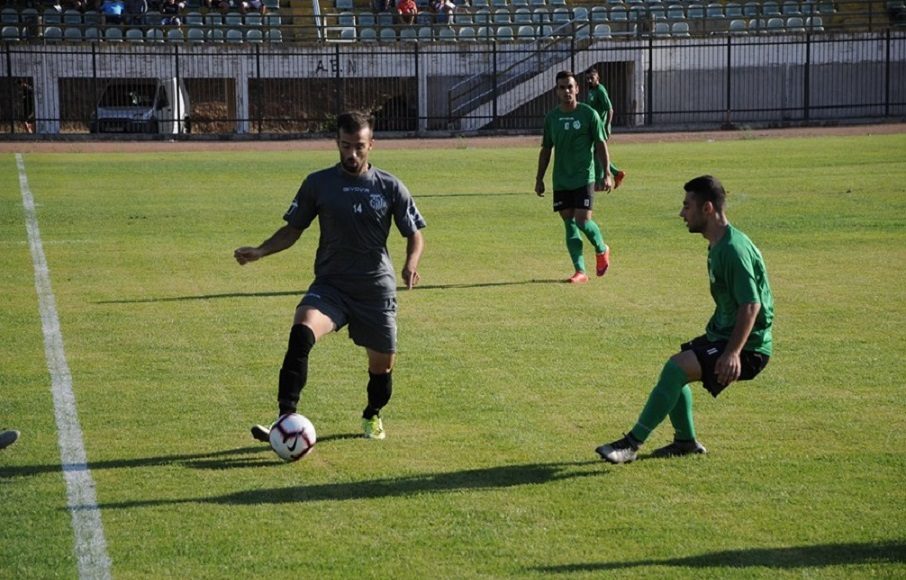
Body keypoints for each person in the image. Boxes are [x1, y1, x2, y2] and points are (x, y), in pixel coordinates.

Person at [234, 110, 427, 441]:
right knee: (301, 332)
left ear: (371, 144)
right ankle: (285, 420)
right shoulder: (318, 183)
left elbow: (414, 234)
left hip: (375, 291)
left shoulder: (390, 186)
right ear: (337, 142)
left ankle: (372, 414)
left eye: (359, 146)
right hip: (331, 286)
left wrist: (411, 263)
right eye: (345, 145)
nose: (352, 153)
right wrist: (261, 250)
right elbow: (292, 230)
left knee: (382, 369)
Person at [596, 175, 774, 464]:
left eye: (687, 206)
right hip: (724, 336)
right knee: (677, 369)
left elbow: (751, 305)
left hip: (749, 347)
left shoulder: (733, 249)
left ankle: (631, 444)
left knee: (675, 369)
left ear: (707, 208)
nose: (681, 213)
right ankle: (685, 442)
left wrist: (732, 353)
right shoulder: (719, 244)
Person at [535, 70, 615, 285]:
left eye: (570, 87)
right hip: (561, 179)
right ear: (556, 91)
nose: (566, 91)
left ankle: (601, 248)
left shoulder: (589, 114)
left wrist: (607, 173)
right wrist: (539, 178)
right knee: (569, 222)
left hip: (584, 177)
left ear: (577, 89)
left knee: (582, 220)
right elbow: (546, 149)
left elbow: (600, 144)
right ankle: (580, 271)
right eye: (562, 88)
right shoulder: (552, 118)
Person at [585, 67, 626, 191]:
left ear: (597, 78)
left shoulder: (600, 90)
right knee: (596, 153)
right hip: (594, 127)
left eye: (591, 78)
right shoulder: (591, 90)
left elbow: (610, 109)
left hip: (601, 128)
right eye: (587, 78)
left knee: (597, 153)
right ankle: (616, 173)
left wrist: (607, 126)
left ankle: (600, 182)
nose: (589, 80)